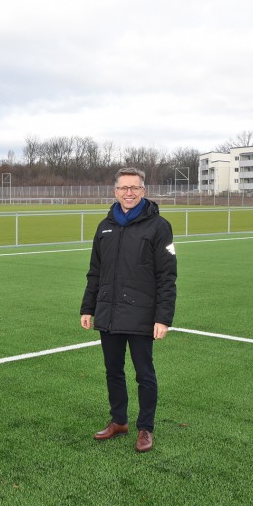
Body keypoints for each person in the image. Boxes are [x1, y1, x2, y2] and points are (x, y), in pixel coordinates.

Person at [80, 167, 177, 453]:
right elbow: (95, 271)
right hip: (108, 313)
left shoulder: (159, 226)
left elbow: (167, 276)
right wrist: (88, 307)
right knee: (113, 371)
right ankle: (118, 421)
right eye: (124, 188)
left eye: (134, 188)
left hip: (141, 314)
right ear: (115, 191)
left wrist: (163, 317)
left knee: (144, 373)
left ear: (143, 191)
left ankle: (145, 428)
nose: (129, 193)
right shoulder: (105, 226)